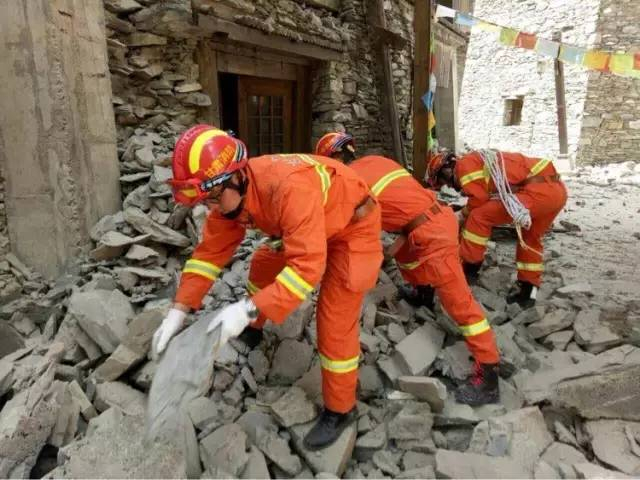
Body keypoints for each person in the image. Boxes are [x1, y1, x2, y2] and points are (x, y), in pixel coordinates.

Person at [151, 125, 383, 450]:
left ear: (236, 177)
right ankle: (255, 328)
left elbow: (305, 270)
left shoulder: (287, 188)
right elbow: (208, 256)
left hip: (351, 227)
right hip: (311, 221)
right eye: (205, 201)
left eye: (213, 198)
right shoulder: (233, 190)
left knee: (334, 319)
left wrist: (245, 309)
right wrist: (178, 311)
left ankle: (341, 409)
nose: (212, 207)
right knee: (263, 262)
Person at [315, 132, 502, 406]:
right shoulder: (378, 161)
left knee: (461, 306)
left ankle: (488, 374)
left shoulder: (348, 182)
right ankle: (422, 292)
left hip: (433, 235)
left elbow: (344, 229)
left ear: (333, 159)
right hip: (426, 223)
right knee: (405, 255)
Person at [426, 150, 567, 308]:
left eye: (443, 181)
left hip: (537, 192)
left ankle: (469, 269)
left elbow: (479, 199)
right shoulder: (478, 162)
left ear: (447, 169)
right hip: (556, 192)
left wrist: (461, 214)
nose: (448, 186)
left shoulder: (463, 165)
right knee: (530, 240)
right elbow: (487, 193)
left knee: (479, 216)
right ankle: (529, 292)